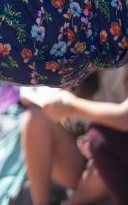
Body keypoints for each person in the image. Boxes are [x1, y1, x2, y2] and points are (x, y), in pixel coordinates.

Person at [22, 67, 128, 205]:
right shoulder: (68, 55)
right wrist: (62, 78)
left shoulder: (119, 55)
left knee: (99, 142)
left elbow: (124, 119)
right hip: (78, 152)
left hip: (111, 151)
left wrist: (72, 106)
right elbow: (26, 93)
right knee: (36, 118)